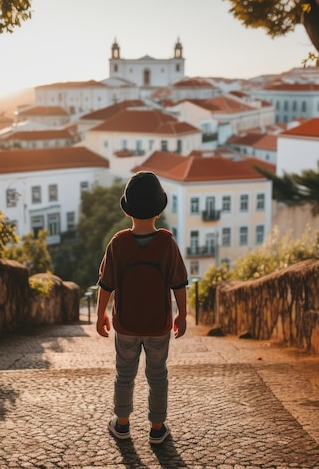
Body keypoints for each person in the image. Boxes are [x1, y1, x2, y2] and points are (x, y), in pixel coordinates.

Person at [96, 171, 188, 445]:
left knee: (124, 374)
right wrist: (182, 314)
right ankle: (157, 427)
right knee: (158, 375)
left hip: (125, 324)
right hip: (159, 325)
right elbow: (179, 283)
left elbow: (106, 284)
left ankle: (122, 424)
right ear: (159, 210)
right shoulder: (167, 244)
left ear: (127, 210)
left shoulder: (118, 243)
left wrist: (101, 313)